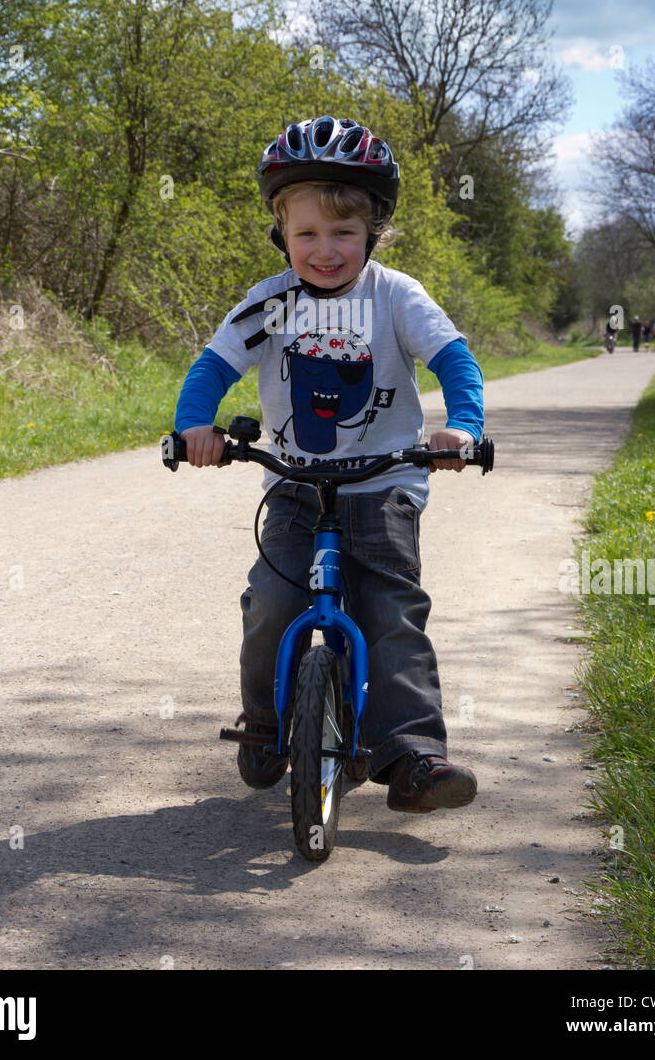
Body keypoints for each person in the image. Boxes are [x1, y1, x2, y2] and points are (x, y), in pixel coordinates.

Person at [173, 115, 485, 814]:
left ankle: (412, 758)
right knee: (274, 605)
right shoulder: (271, 302)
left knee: (390, 612)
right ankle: (265, 723)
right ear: (280, 233)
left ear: (374, 232)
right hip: (294, 487)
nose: (325, 249)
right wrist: (194, 427)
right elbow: (213, 366)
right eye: (306, 233)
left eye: (343, 233)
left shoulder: (395, 296)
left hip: (384, 487)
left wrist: (462, 427)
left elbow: (454, 360)